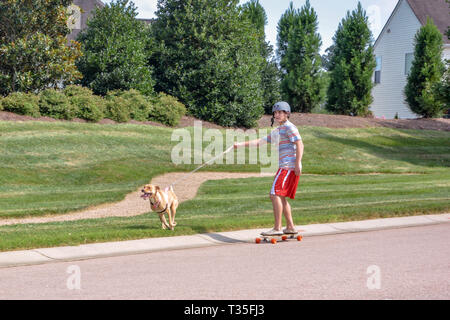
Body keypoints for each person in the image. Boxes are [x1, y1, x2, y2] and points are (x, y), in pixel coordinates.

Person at [234, 101, 303, 236]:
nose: (277, 115)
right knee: (280, 197)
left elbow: (300, 144)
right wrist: (240, 145)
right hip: (285, 166)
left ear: (286, 114)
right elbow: (260, 142)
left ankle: (277, 228)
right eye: (275, 113)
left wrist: (298, 163)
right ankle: (290, 227)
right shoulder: (278, 130)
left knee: (274, 194)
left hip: (288, 166)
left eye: (280, 112)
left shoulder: (289, 127)